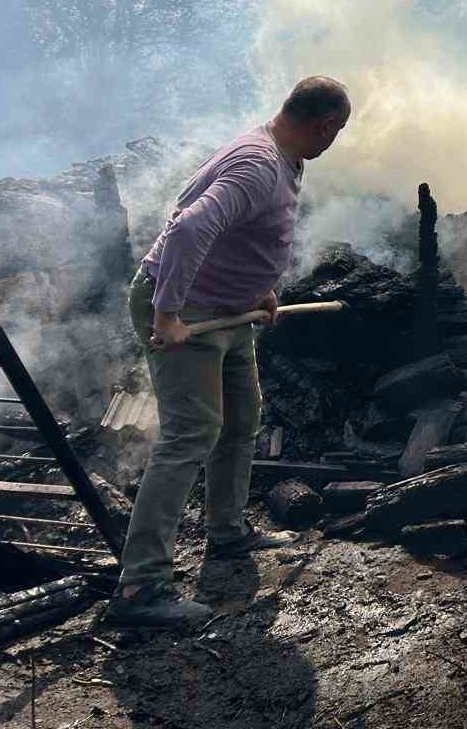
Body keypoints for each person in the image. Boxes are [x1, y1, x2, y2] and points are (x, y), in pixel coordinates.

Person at [105, 77, 352, 627]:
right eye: (336, 131)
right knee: (189, 435)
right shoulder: (258, 164)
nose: (334, 141)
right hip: (190, 315)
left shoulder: (282, 155)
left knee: (242, 419)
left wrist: (256, 290)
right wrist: (167, 313)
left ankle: (226, 532)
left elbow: (240, 232)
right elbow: (190, 227)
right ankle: (140, 587)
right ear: (323, 125)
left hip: (229, 312)